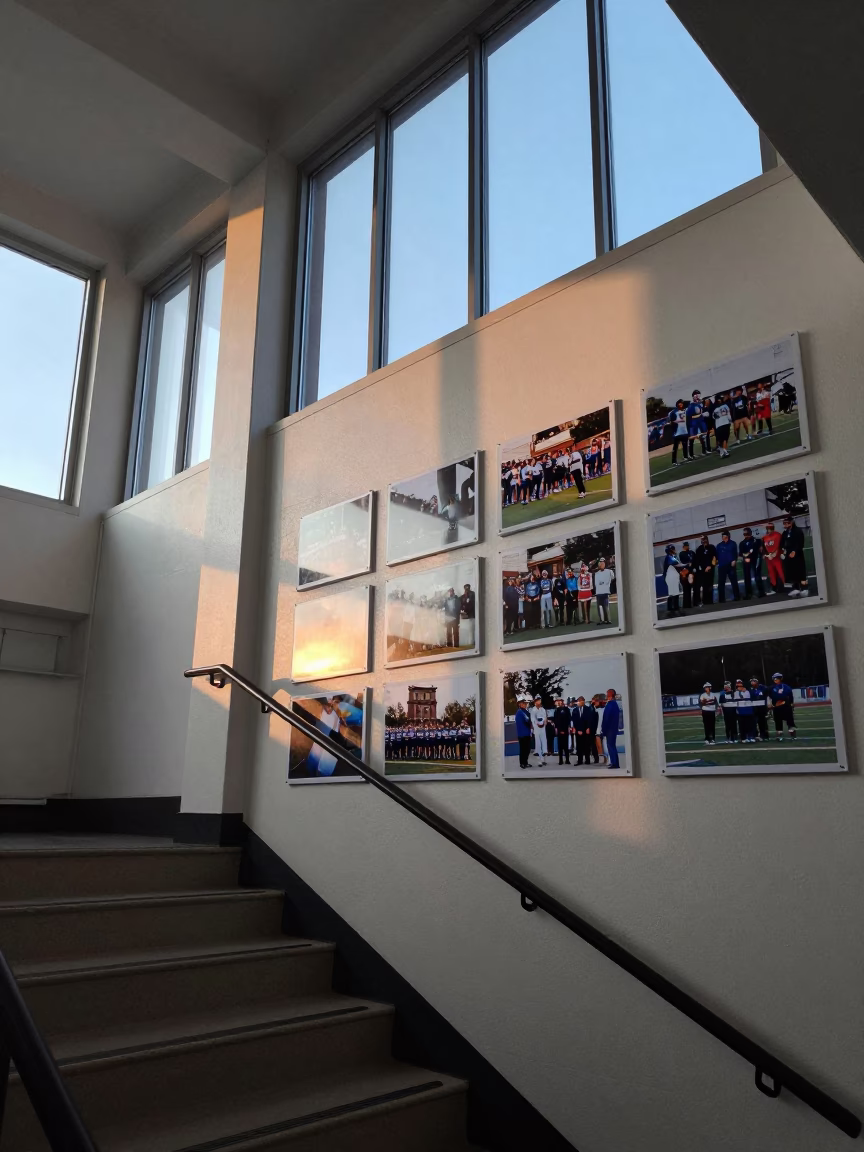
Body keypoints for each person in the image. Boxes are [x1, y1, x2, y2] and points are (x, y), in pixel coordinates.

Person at [781, 515, 809, 597]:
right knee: (792, 572)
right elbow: (782, 543)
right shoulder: (785, 533)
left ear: (792, 522)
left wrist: (795, 551)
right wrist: (784, 551)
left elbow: (800, 543)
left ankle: (805, 588)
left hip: (798, 555)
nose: (785, 525)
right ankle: (796, 588)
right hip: (788, 555)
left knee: (801, 572)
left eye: (787, 523)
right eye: (784, 523)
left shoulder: (798, 531)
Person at [738, 527, 765, 599]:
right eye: (745, 534)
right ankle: (748, 594)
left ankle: (761, 592)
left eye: (747, 534)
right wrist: (745, 558)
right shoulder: (742, 543)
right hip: (747, 561)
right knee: (747, 577)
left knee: (757, 576)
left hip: (756, 560)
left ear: (750, 533)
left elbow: (760, 550)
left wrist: (761, 555)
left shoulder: (757, 540)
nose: (746, 536)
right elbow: (741, 554)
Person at [769, 672, 797, 740]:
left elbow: (790, 696)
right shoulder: (771, 687)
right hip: (776, 707)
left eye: (777, 678)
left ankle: (792, 734)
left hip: (786, 707)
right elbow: (769, 696)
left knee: (790, 721)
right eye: (774, 678)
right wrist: (770, 704)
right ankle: (779, 735)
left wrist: (791, 704)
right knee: (778, 722)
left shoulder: (786, 687)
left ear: (781, 679)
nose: (775, 680)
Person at [715, 531, 740, 602]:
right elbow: (716, 555)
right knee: (721, 582)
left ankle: (737, 596)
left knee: (734, 581)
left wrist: (734, 560)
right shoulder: (719, 545)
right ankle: (721, 599)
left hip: (730, 564)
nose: (724, 538)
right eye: (723, 537)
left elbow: (735, 553)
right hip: (722, 565)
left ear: (728, 537)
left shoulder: (733, 543)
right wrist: (716, 561)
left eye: (726, 537)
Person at [761, 521, 784, 595]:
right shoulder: (764, 538)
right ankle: (774, 588)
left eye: (771, 528)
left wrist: (777, 553)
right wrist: (765, 554)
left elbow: (780, 545)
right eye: (768, 528)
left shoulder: (778, 535)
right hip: (769, 559)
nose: (769, 530)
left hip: (777, 557)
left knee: (781, 572)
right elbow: (763, 548)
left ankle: (784, 586)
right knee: (771, 574)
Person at [694, 534, 717, 606]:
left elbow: (715, 558)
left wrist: (710, 566)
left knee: (710, 585)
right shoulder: (699, 549)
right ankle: (704, 601)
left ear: (707, 539)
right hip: (702, 571)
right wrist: (701, 569)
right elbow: (697, 560)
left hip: (710, 569)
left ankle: (710, 601)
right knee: (704, 586)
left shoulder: (712, 547)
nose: (704, 541)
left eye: (705, 539)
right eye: (702, 540)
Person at [600, 689, 621, 769]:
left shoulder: (610, 705)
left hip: (610, 729)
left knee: (610, 746)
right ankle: (615, 762)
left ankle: (614, 763)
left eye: (607, 693)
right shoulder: (614, 704)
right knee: (612, 746)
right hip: (613, 729)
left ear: (610, 694)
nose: (606, 695)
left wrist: (604, 730)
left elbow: (607, 718)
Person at [686, 390, 711, 456]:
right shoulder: (691, 406)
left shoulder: (700, 404)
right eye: (696, 395)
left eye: (698, 394)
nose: (697, 396)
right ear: (693, 396)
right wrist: (701, 415)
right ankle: (691, 454)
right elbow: (690, 417)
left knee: (703, 437)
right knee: (693, 438)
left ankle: (704, 451)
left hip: (701, 422)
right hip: (694, 424)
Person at [571, 695, 593, 765]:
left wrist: (588, 728)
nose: (581, 702)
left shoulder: (588, 709)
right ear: (578, 702)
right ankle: (580, 760)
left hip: (586, 729)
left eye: (582, 700)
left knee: (586, 746)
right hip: (578, 730)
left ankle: (587, 760)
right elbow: (574, 720)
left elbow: (589, 719)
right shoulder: (575, 710)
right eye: (580, 701)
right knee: (579, 746)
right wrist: (577, 729)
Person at [669, 398, 691, 465]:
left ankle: (686, 457)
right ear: (677, 404)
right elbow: (671, 422)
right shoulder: (674, 412)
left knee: (685, 445)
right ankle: (674, 461)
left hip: (684, 431)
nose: (681, 404)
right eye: (680, 403)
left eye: (682, 403)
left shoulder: (684, 411)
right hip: (677, 432)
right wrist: (677, 422)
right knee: (675, 447)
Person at [514, 698, 533, 770]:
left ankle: (526, 762)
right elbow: (523, 722)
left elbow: (530, 720)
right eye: (523, 703)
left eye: (525, 703)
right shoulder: (519, 712)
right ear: (520, 704)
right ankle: (522, 763)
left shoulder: (526, 712)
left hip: (527, 733)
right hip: (522, 734)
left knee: (527, 749)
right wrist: (529, 724)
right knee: (523, 749)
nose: (525, 704)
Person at [748, 676, 770, 741]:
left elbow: (767, 696)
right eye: (751, 682)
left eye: (753, 681)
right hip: (754, 708)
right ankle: (755, 735)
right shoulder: (750, 690)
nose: (752, 683)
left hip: (762, 708)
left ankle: (764, 735)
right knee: (754, 722)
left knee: (763, 722)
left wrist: (768, 705)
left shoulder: (763, 688)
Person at [552, 697, 572, 765]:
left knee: (566, 746)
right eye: (558, 701)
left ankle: (567, 760)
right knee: (560, 746)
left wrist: (568, 728)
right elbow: (555, 720)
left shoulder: (567, 710)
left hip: (566, 729)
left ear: (563, 702)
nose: (560, 702)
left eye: (561, 701)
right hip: (559, 730)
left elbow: (569, 719)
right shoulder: (557, 710)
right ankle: (560, 760)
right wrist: (558, 729)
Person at [663, 544, 682, 616]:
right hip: (670, 578)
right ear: (671, 550)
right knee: (674, 593)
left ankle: (672, 609)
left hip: (672, 578)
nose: (675, 550)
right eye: (673, 549)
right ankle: (674, 609)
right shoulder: (669, 557)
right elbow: (677, 564)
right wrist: (686, 565)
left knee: (673, 593)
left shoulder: (671, 557)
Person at [712, 392, 732, 458]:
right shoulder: (724, 405)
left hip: (722, 424)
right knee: (723, 438)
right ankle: (722, 451)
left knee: (724, 438)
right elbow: (714, 417)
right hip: (721, 424)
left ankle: (723, 450)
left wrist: (729, 421)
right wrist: (730, 421)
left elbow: (714, 417)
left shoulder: (715, 407)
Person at [594, 557, 614, 624]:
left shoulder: (609, 571)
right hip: (599, 592)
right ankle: (602, 620)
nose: (601, 564)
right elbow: (596, 583)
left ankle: (608, 619)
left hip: (605, 591)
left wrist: (605, 583)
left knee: (606, 606)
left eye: (603, 563)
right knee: (600, 606)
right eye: (600, 563)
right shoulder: (596, 574)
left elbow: (612, 578)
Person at [529, 697, 548, 764]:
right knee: (538, 744)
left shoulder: (543, 709)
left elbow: (545, 717)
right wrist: (537, 723)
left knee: (544, 743)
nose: (539, 703)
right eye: (537, 701)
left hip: (543, 728)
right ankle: (539, 761)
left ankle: (544, 760)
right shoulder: (533, 710)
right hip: (537, 728)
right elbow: (532, 719)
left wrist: (545, 722)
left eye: (539, 701)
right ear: (535, 702)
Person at [679, 541, 696, 609]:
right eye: (685, 546)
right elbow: (683, 562)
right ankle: (686, 605)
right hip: (685, 573)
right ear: (683, 547)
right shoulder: (681, 553)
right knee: (686, 589)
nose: (686, 547)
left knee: (690, 589)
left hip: (691, 573)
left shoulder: (692, 553)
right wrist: (689, 563)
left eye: (687, 546)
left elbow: (694, 560)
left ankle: (690, 604)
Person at [590, 695, 605, 764]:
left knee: (603, 745)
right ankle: (601, 758)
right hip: (597, 730)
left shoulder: (603, 709)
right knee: (598, 745)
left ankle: (605, 758)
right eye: (594, 701)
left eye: (596, 701)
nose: (595, 702)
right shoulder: (595, 709)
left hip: (602, 730)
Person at [460, 582, 476, 646]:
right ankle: (469, 642)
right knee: (469, 630)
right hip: (467, 615)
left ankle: (471, 642)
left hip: (471, 615)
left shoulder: (472, 594)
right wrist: (462, 610)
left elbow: (471, 604)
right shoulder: (463, 597)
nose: (467, 590)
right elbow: (461, 604)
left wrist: (465, 610)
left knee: (471, 629)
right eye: (466, 589)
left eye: (467, 588)